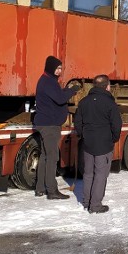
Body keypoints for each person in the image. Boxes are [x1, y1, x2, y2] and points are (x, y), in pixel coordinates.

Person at [33, 55, 81, 199]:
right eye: (57, 68)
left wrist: (67, 90)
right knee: (52, 157)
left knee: (45, 156)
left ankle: (40, 188)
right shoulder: (48, 82)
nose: (59, 71)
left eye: (60, 68)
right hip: (49, 125)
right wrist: (72, 90)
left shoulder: (48, 80)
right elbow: (60, 98)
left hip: (45, 123)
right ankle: (52, 191)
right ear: (50, 67)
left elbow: (58, 95)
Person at [74, 74, 122, 213]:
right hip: (104, 144)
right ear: (107, 86)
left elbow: (78, 122)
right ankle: (95, 205)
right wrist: (113, 138)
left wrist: (83, 135)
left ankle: (87, 201)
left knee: (88, 174)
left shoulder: (84, 102)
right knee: (100, 174)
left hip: (88, 143)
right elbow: (116, 124)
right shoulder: (110, 103)